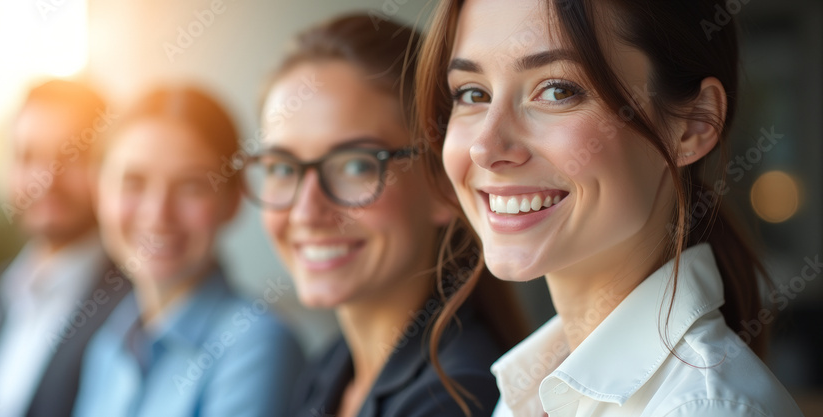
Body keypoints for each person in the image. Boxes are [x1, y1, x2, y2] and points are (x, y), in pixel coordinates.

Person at [415, 0, 805, 415]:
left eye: (558, 90)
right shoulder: (533, 391)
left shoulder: (703, 408)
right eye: (473, 93)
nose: (485, 148)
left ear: (694, 121)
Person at [245, 14, 528, 417]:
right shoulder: (331, 369)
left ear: (442, 182)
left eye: (356, 166)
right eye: (282, 168)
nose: (307, 212)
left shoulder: (457, 397)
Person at [72, 86, 304, 417]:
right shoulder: (108, 343)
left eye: (191, 186)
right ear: (98, 193)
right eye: (133, 182)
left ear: (233, 200)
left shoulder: (258, 347)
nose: (157, 215)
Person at [0, 80, 132, 417]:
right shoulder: (1, 287)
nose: (46, 179)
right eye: (28, 156)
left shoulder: (135, 302)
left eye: (71, 156)